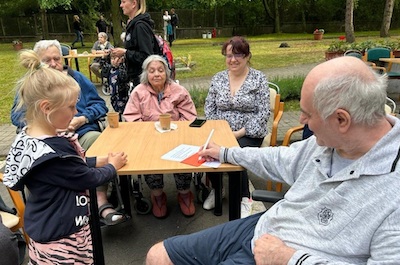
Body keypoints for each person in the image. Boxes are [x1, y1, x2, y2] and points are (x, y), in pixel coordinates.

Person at [146, 56, 400, 264]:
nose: (301, 122)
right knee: (158, 256)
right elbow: (278, 157)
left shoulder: (393, 192)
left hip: (288, 255)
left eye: (307, 114)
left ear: (342, 120)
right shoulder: (329, 144)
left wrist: (288, 258)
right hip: (264, 227)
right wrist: (225, 152)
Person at [3, 50, 127, 264]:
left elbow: (69, 170)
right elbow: (87, 178)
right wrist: (112, 167)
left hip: (46, 228)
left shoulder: (34, 139)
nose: (75, 111)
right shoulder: (54, 155)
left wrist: (98, 160)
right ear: (46, 108)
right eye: (71, 107)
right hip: (63, 240)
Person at [203, 36, 270, 218]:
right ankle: (218, 190)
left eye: (238, 55)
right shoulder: (218, 78)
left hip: (249, 132)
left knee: (235, 152)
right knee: (208, 149)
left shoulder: (259, 79)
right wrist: (219, 128)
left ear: (247, 56)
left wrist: (239, 132)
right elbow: (209, 107)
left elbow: (263, 113)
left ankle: (244, 198)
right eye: (228, 55)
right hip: (220, 129)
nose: (232, 60)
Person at [123, 55, 197, 218]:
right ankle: (157, 195)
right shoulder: (139, 92)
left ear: (167, 73)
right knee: (149, 160)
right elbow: (131, 118)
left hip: (176, 136)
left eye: (160, 70)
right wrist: (150, 133)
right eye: (152, 71)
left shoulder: (178, 91)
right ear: (146, 74)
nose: (156, 74)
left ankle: (185, 194)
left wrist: (177, 130)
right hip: (149, 139)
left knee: (182, 158)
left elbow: (190, 116)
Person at [112, 0, 156, 89]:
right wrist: (124, 58)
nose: (121, 5)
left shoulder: (140, 26)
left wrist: (125, 52)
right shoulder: (133, 25)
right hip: (137, 80)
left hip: (144, 81)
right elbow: (136, 51)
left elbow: (147, 57)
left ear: (134, 4)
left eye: (123, 2)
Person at [107, 53, 130, 118]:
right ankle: (119, 120)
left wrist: (121, 64)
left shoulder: (123, 69)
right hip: (113, 94)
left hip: (122, 94)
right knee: (116, 110)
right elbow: (104, 72)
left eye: (116, 59)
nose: (114, 61)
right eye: (112, 59)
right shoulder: (110, 69)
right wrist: (104, 58)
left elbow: (124, 77)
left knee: (124, 110)